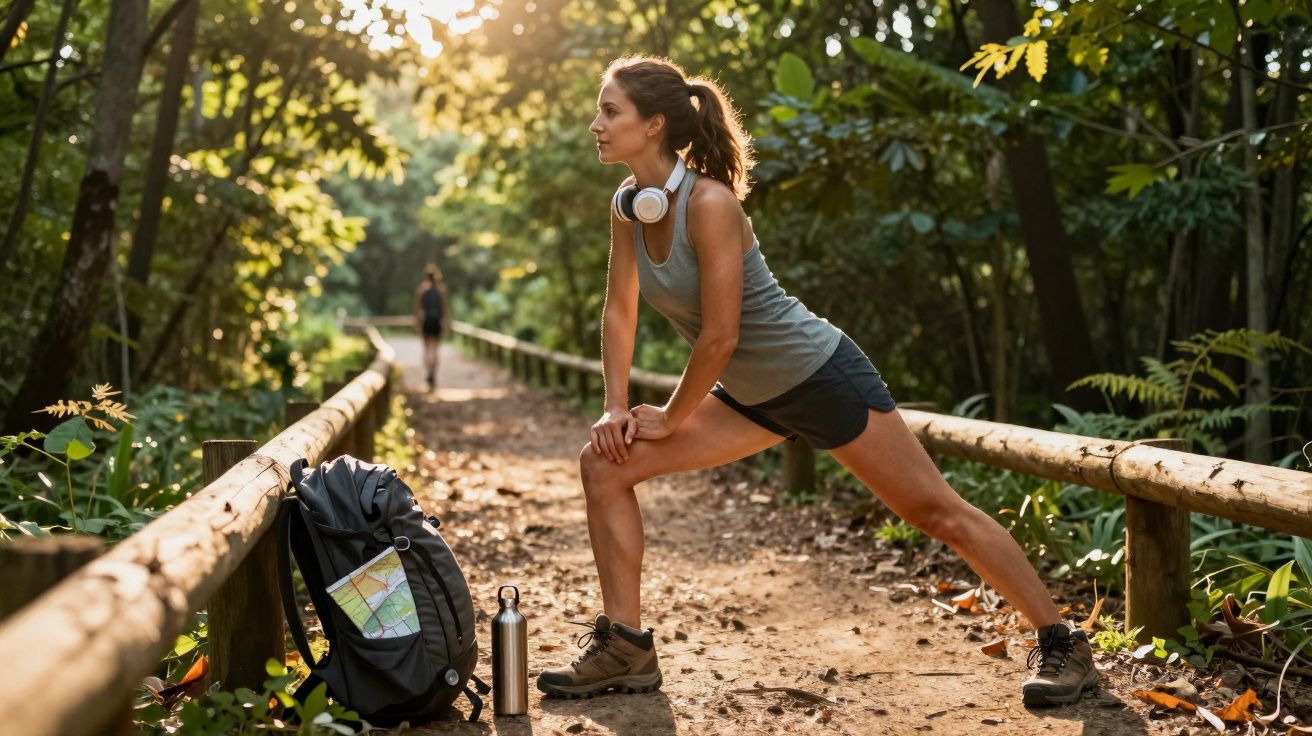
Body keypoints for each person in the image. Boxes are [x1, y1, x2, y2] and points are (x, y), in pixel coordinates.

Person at [534, 55, 1098, 707]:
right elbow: (619, 308)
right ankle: (626, 648)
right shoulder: (629, 207)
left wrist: (672, 413)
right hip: (751, 397)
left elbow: (721, 336)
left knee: (936, 513)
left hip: (821, 375)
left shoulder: (709, 204)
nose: (594, 124)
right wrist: (613, 406)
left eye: (609, 111)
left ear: (654, 124)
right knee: (604, 465)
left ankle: (1063, 643)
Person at [413, 264, 449, 391]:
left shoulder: (421, 290)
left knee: (427, 349)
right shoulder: (442, 290)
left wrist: (417, 324)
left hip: (426, 322)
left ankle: (428, 373)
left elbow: (418, 310)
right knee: (435, 349)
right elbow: (445, 310)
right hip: (437, 322)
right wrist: (446, 323)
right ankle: (433, 375)